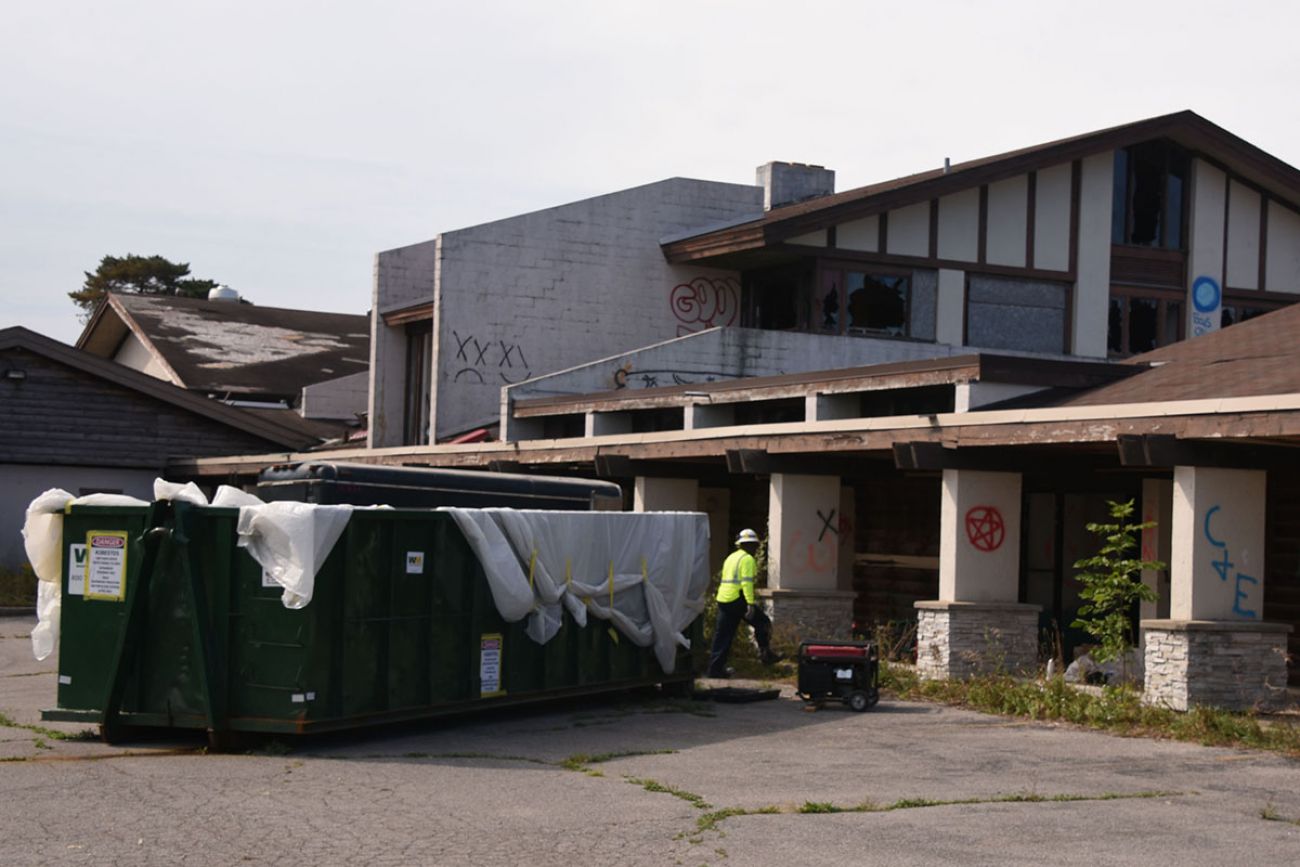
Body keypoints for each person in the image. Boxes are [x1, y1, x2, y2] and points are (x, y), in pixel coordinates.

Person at [707, 529, 783, 678]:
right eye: (753, 545)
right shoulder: (747, 559)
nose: (755, 549)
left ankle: (714, 670)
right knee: (763, 622)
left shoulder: (731, 557)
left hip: (723, 599)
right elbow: (746, 583)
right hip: (738, 599)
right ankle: (766, 655)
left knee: (723, 635)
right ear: (748, 545)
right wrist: (750, 604)